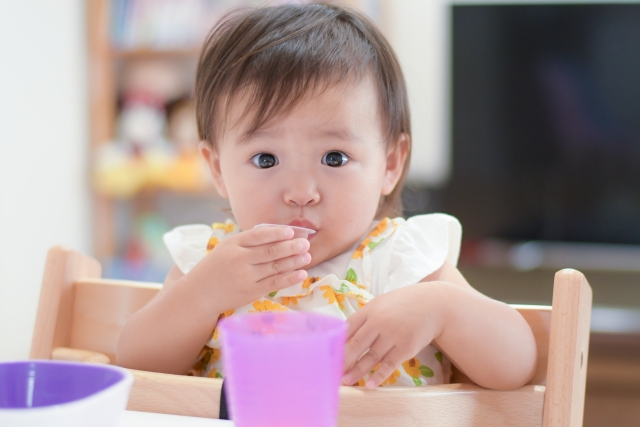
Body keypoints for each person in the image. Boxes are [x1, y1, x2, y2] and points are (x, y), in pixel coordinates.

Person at [116, 2, 537, 389]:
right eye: (265, 159)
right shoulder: (208, 262)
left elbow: (518, 365)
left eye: (334, 158)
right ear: (217, 169)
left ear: (390, 164)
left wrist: (442, 310)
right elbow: (136, 365)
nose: (301, 193)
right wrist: (203, 294)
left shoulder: (403, 260)